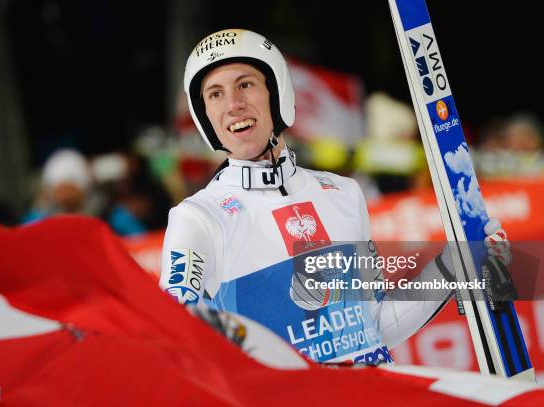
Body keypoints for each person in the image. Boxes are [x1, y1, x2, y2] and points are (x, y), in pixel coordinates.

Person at [160, 29, 509, 365]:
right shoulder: (198, 217)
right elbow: (171, 340)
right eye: (215, 94)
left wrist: (454, 265)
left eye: (246, 85)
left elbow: (375, 329)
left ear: (277, 93)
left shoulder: (343, 194)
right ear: (204, 115)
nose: (233, 104)